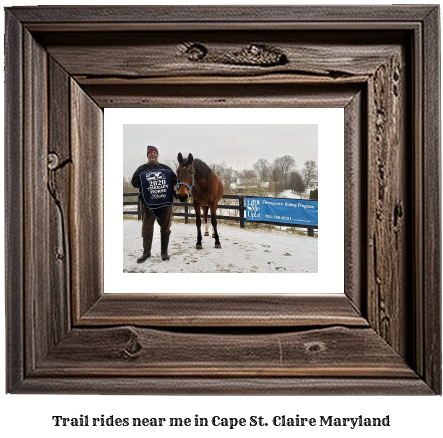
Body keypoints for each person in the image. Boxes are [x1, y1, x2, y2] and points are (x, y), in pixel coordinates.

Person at [131, 145, 177, 263]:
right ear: (147, 155)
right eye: (150, 153)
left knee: (165, 227)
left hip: (165, 203)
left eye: (155, 153)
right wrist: (146, 183)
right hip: (148, 204)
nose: (153, 155)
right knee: (147, 228)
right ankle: (146, 253)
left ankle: (164, 252)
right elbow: (134, 182)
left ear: (158, 155)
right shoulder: (142, 169)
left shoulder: (166, 168)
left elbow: (175, 180)